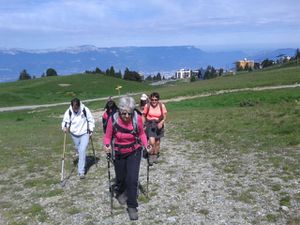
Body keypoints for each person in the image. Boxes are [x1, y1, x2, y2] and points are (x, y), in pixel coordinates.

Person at [103, 96, 149, 221]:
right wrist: (107, 146)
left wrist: (146, 145)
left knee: (132, 179)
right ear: (119, 111)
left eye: (130, 113)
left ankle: (132, 206)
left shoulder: (137, 119)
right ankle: (121, 191)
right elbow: (107, 137)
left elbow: (141, 133)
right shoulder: (113, 119)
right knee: (121, 177)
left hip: (134, 151)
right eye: (124, 113)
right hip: (118, 152)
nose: (127, 116)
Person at [61, 98, 95, 179]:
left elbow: (91, 120)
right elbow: (65, 122)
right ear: (72, 106)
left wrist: (91, 129)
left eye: (77, 108)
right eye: (74, 108)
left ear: (79, 106)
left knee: (82, 149)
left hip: (84, 133)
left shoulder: (85, 110)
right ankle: (84, 161)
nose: (75, 110)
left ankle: (81, 172)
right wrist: (64, 127)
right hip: (74, 134)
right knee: (79, 150)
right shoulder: (68, 112)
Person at [143, 92, 167, 165]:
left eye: (155, 100)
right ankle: (150, 156)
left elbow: (165, 116)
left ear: (158, 100)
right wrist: (143, 124)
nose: (154, 101)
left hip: (159, 124)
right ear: (150, 99)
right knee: (151, 142)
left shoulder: (161, 105)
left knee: (157, 143)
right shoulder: (147, 105)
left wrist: (162, 122)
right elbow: (143, 115)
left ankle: (155, 156)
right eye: (152, 99)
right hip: (150, 124)